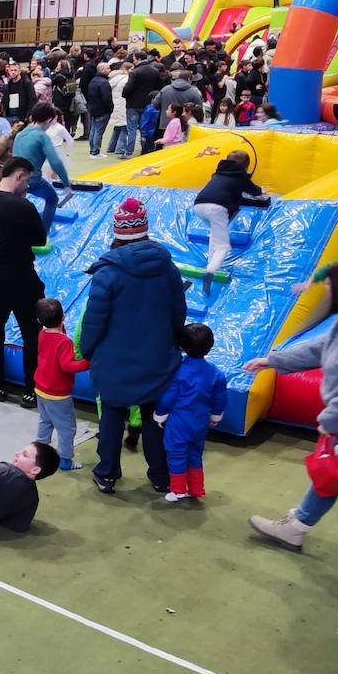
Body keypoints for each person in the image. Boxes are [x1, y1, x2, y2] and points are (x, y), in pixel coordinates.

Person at [80, 197, 186, 495]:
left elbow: (94, 321)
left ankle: (107, 473)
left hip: (114, 361)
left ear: (117, 233)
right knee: (154, 420)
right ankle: (161, 476)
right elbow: (179, 314)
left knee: (112, 418)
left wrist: (87, 350)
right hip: (158, 359)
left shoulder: (108, 273)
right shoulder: (168, 269)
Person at [246, 262, 338, 550]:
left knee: (335, 470)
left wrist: (333, 418)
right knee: (332, 471)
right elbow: (322, 347)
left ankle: (297, 526)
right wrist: (273, 360)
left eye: (330, 286)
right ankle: (297, 526)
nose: (326, 291)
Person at [0, 156, 46, 407]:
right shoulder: (22, 206)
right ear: (19, 176)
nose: (27, 186)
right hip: (21, 275)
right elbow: (40, 239)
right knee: (31, 333)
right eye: (26, 181)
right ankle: (30, 389)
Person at [154, 323, 227, 504]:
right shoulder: (216, 373)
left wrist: (160, 414)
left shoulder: (178, 371)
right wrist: (216, 415)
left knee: (176, 453)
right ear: (210, 345)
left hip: (179, 421)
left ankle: (178, 489)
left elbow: (169, 396)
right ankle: (196, 488)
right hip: (200, 421)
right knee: (195, 453)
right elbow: (219, 398)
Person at [192, 149, 264, 296]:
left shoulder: (218, 173)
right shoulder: (241, 176)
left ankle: (210, 263)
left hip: (199, 206)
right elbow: (255, 191)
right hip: (217, 208)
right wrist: (262, 190)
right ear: (246, 167)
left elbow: (232, 194)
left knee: (216, 233)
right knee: (224, 246)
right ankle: (210, 271)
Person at [33, 297, 91, 473]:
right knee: (67, 428)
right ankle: (65, 460)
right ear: (64, 317)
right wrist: (87, 362)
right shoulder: (64, 342)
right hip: (58, 394)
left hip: (41, 388)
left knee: (45, 421)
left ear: (38, 320)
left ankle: (40, 453)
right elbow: (67, 366)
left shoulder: (42, 334)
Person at [10, 104, 70, 234]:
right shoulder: (42, 136)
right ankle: (43, 233)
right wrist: (67, 184)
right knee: (52, 199)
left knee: (16, 206)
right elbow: (56, 162)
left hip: (14, 179)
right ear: (49, 120)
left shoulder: (20, 134)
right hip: (32, 180)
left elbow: (14, 157)